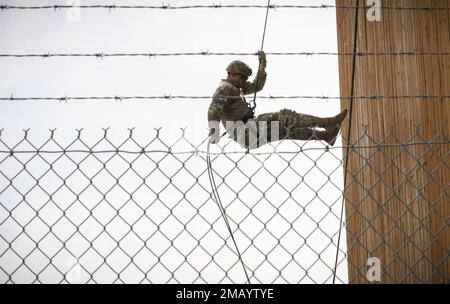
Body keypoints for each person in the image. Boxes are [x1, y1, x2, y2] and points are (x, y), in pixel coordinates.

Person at [208, 51, 348, 149]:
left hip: (248, 137)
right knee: (285, 116)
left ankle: (325, 136)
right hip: (245, 130)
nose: (245, 81)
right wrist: (214, 133)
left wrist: (262, 66)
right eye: (243, 77)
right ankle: (327, 123)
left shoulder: (236, 87)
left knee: (287, 131)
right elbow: (213, 111)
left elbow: (257, 86)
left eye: (246, 78)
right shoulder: (226, 88)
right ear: (231, 74)